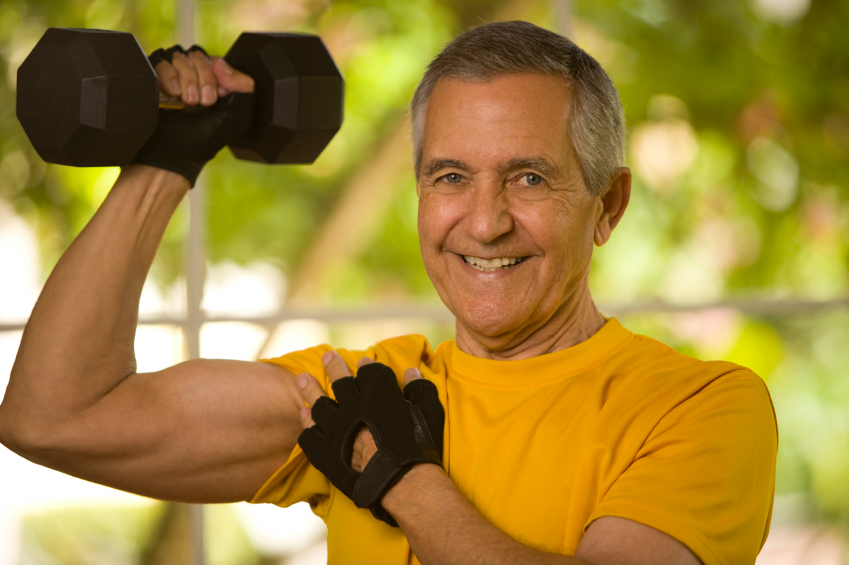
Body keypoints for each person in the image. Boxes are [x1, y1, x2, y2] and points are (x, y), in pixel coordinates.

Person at [0, 20, 777, 565]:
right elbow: (57, 416)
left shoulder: (700, 407)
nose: (483, 220)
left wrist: (403, 481)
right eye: (448, 177)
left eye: (528, 177)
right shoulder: (362, 393)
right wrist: (163, 164)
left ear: (605, 206)